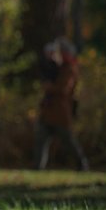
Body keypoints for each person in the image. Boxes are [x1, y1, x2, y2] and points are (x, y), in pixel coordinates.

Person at [33, 39, 89, 171]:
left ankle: (82, 164)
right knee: (40, 139)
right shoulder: (56, 67)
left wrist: (49, 87)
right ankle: (37, 168)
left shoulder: (70, 68)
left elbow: (64, 89)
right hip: (48, 111)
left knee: (68, 141)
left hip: (61, 112)